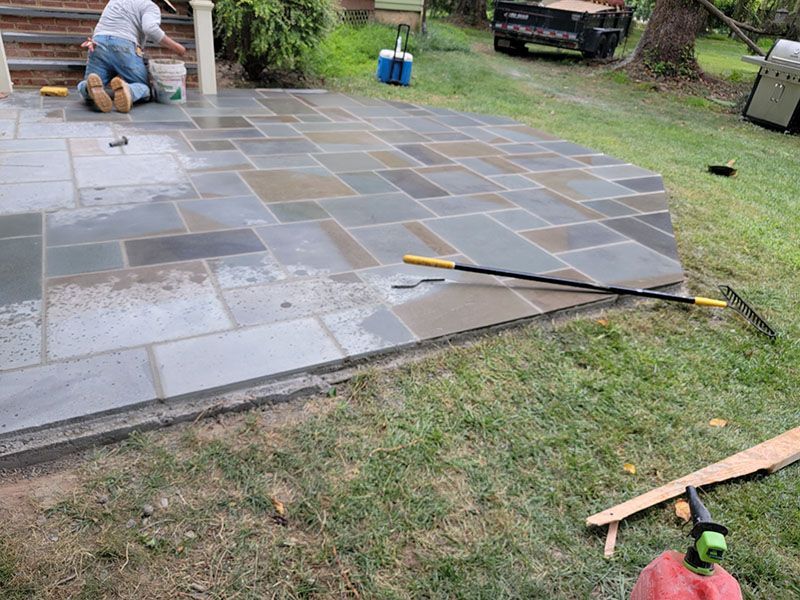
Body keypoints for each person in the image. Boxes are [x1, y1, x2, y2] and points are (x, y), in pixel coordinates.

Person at [77, 0, 187, 113]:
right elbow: (150, 29)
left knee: (90, 81)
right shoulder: (149, 5)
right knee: (145, 89)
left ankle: (88, 88)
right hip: (124, 46)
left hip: (98, 44)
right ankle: (129, 91)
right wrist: (177, 47)